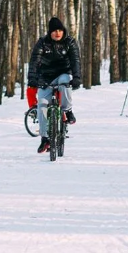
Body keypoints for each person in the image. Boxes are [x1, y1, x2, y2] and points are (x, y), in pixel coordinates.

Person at [27, 17, 82, 154]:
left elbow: (75, 60)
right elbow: (34, 61)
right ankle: (45, 138)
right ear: (49, 32)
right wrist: (32, 79)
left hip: (63, 74)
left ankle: (67, 111)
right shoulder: (42, 43)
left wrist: (76, 77)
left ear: (63, 31)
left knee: (64, 83)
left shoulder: (69, 42)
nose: (57, 33)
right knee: (42, 105)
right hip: (45, 77)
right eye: (54, 31)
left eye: (60, 30)